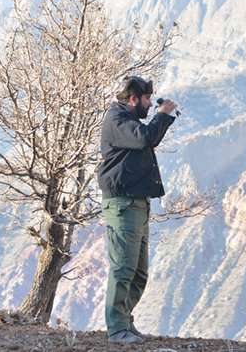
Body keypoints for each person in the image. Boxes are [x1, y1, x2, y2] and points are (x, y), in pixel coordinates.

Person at [97, 75, 177, 344]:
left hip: (138, 202)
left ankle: (125, 323)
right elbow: (145, 139)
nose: (149, 104)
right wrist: (163, 115)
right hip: (122, 204)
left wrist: (162, 118)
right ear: (133, 99)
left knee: (138, 271)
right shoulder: (117, 121)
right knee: (123, 268)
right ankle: (117, 329)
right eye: (146, 99)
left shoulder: (127, 121)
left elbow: (147, 139)